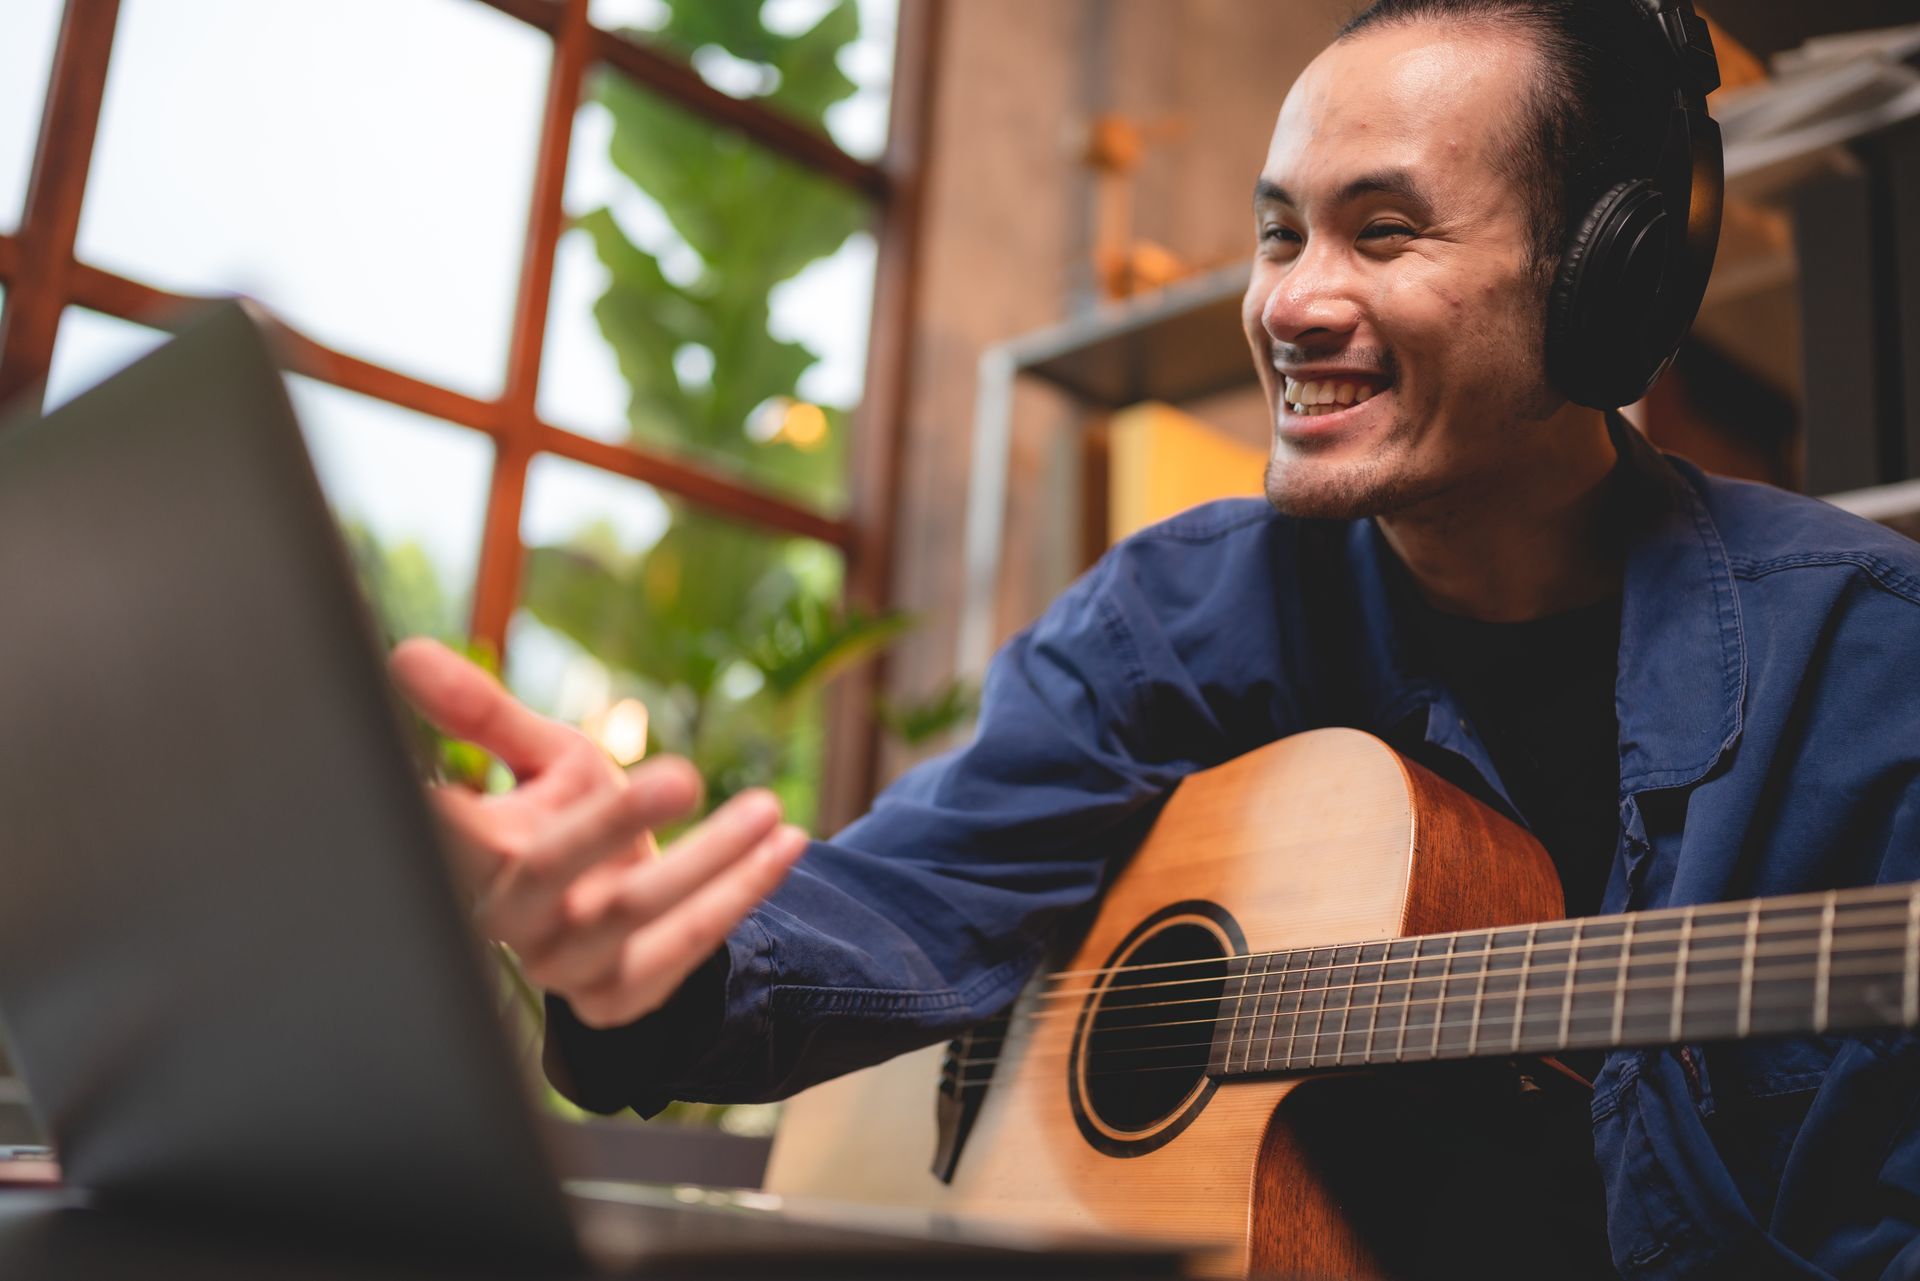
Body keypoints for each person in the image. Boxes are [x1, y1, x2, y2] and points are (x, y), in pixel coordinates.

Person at [390, 1, 1920, 1275]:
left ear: (1608, 282)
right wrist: (644, 964)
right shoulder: (1183, 612)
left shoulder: (1870, 659)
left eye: (1383, 232)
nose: (1293, 303)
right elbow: (917, 899)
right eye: (1279, 234)